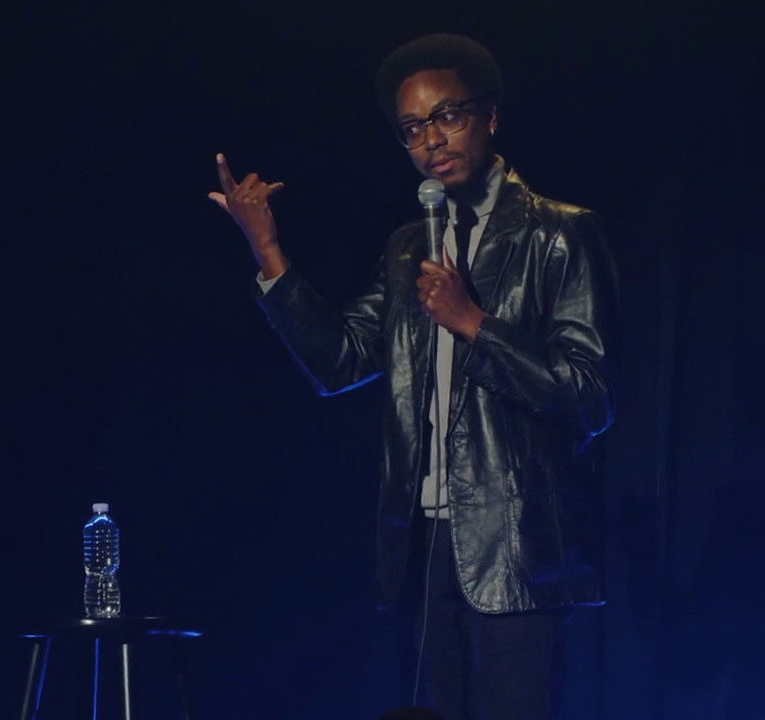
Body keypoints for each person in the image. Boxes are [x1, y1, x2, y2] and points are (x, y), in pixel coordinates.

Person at [207, 34, 618, 720]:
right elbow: (341, 361)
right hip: (422, 553)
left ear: (489, 115)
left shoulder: (559, 234)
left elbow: (589, 397)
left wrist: (472, 323)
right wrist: (267, 250)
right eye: (412, 128)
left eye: (447, 115)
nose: (432, 140)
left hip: (515, 552)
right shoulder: (408, 248)